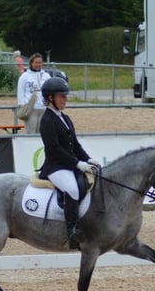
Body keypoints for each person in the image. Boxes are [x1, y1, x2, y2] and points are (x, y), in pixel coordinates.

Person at [38, 77, 100, 249]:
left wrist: (88, 159)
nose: (65, 99)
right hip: (55, 167)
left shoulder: (65, 118)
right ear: (50, 98)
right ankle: (71, 230)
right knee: (72, 189)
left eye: (65, 96)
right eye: (61, 96)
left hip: (69, 164)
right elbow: (55, 149)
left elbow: (76, 145)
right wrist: (77, 164)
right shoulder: (46, 121)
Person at [17, 53, 50, 133]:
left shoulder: (46, 76)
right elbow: (20, 92)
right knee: (31, 132)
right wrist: (23, 105)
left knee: (42, 133)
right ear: (31, 63)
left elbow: (50, 90)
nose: (38, 64)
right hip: (31, 109)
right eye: (36, 62)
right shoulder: (25, 76)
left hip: (44, 108)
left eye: (40, 62)